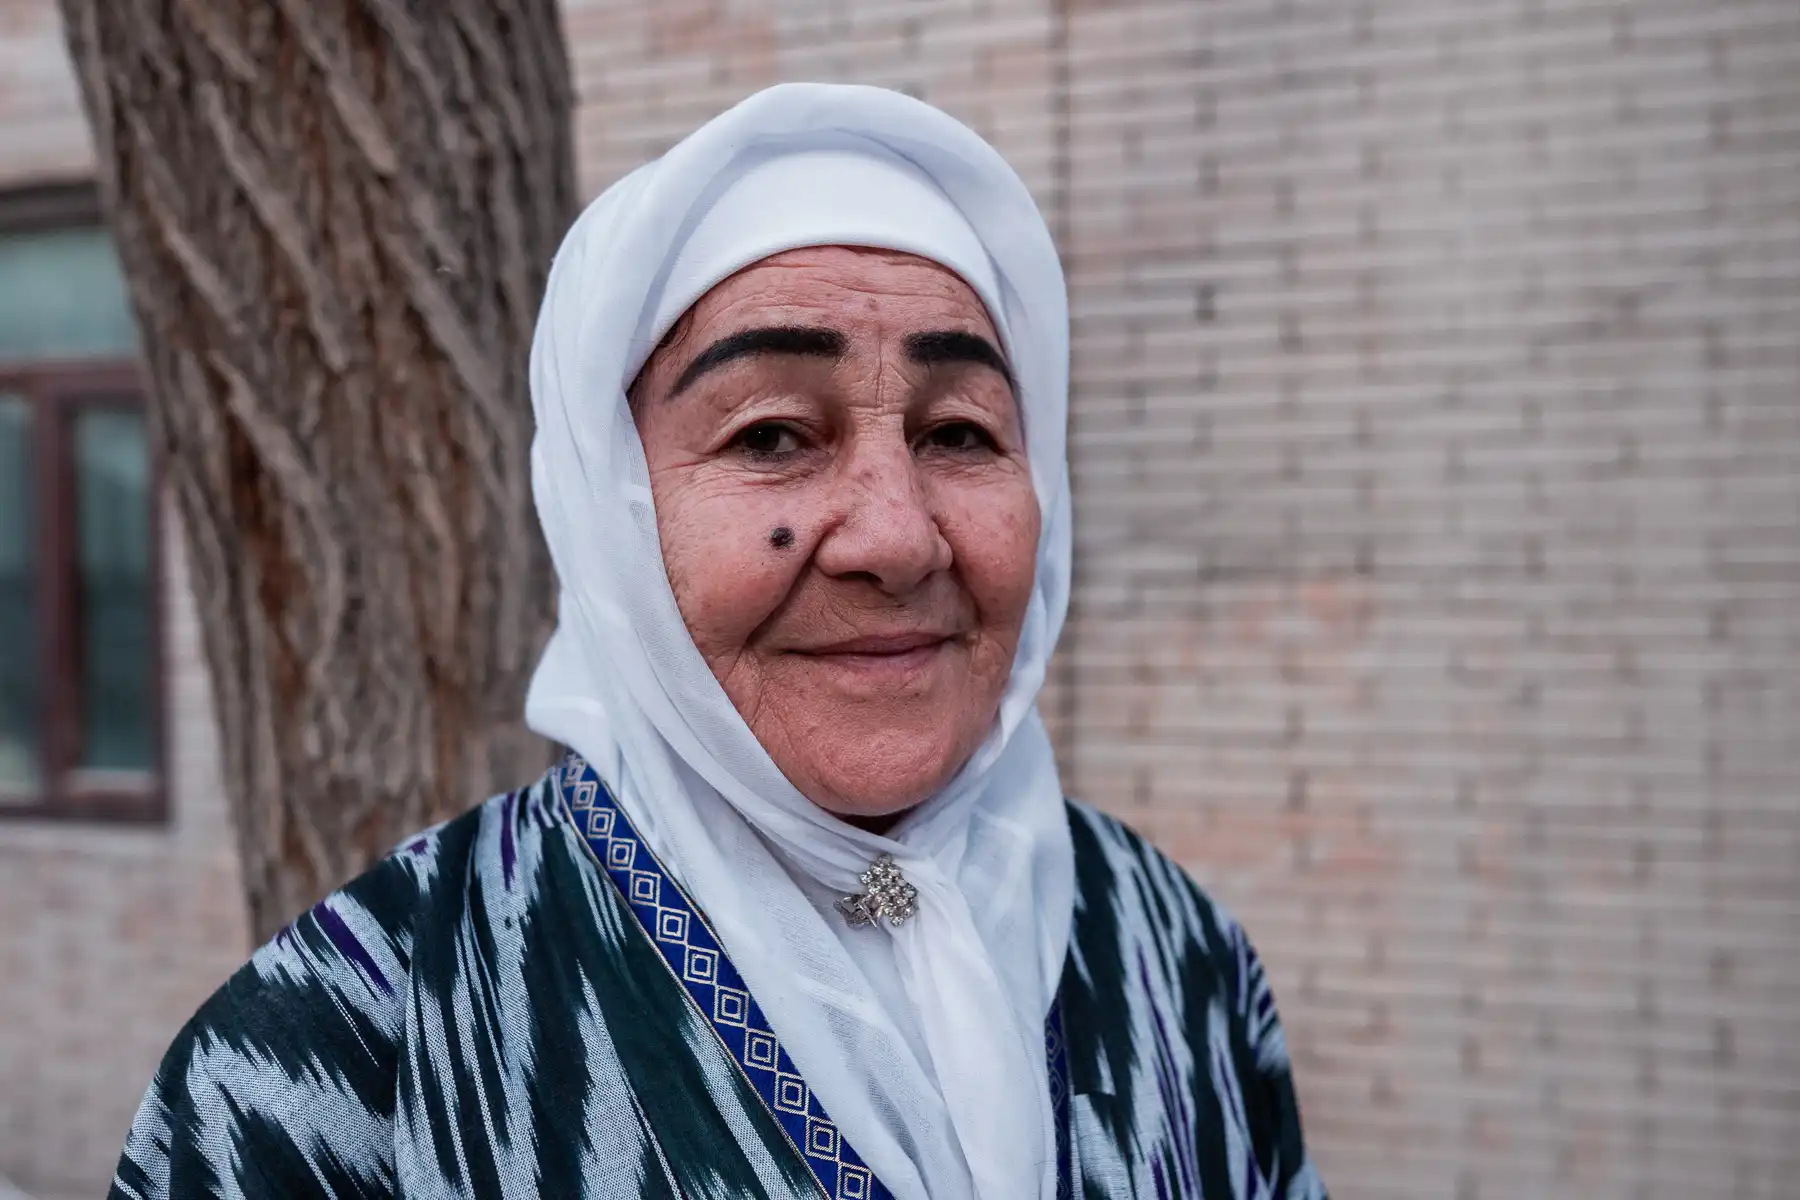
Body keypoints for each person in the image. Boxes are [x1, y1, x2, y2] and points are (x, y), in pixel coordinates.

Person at [110, 83, 1326, 1200]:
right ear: (610, 515)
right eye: (770, 436)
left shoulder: (1175, 957)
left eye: (960, 433)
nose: (897, 538)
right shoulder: (334, 1067)